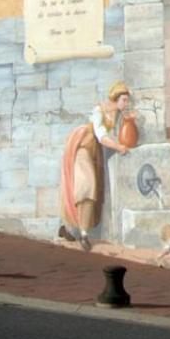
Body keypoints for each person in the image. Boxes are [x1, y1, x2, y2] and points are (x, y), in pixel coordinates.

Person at [59, 81, 134, 250]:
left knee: (91, 190)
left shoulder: (118, 115)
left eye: (127, 100)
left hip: (95, 154)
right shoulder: (99, 111)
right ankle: (82, 234)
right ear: (115, 99)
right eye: (124, 100)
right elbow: (101, 137)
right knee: (86, 186)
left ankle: (71, 229)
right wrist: (118, 147)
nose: (126, 103)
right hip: (83, 148)